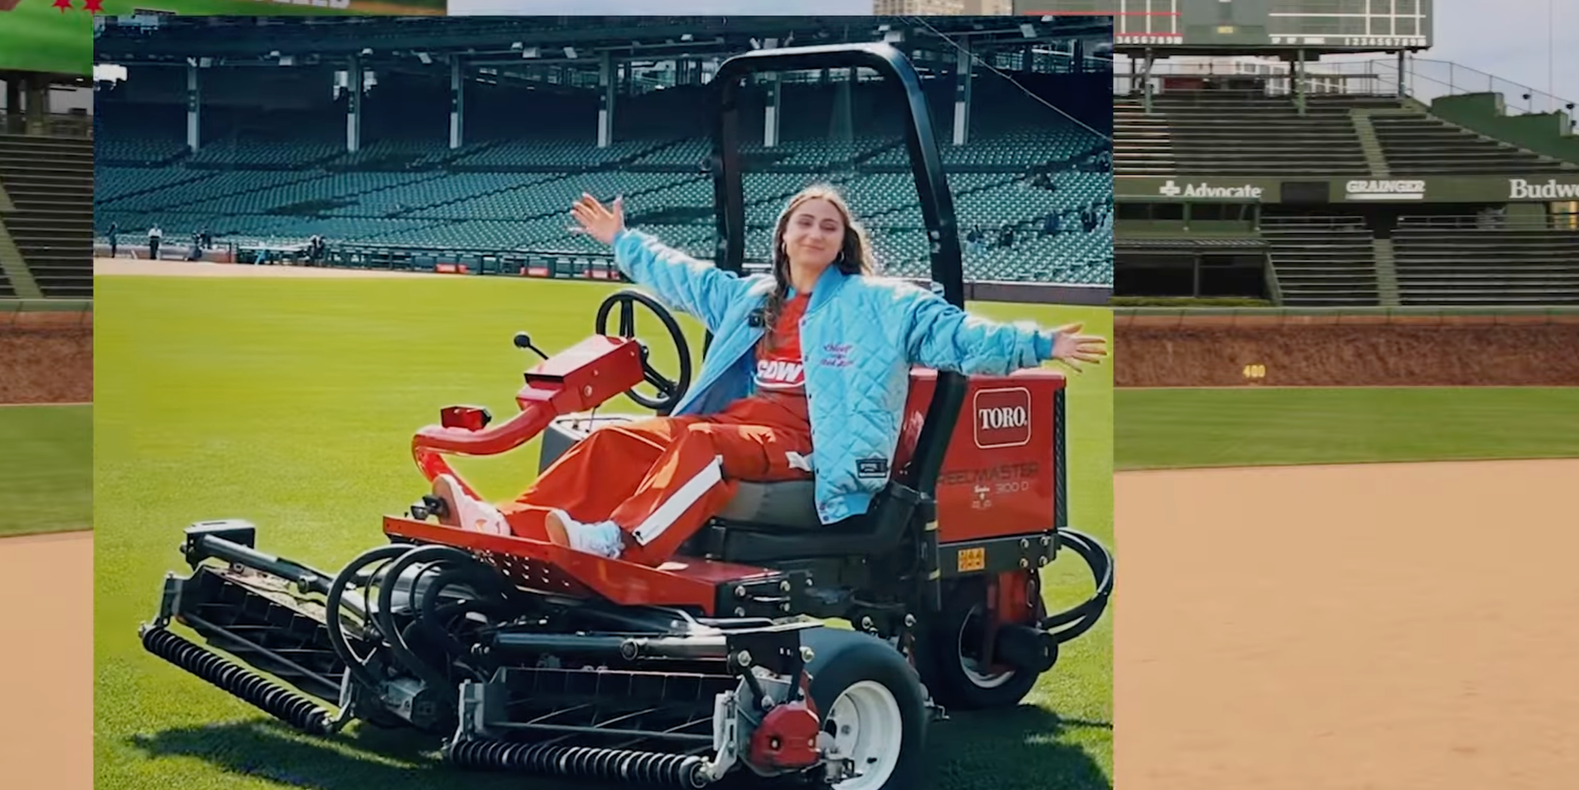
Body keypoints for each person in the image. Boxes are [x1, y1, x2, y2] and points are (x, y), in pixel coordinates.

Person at [430, 184, 1107, 565]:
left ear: (843, 243)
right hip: (743, 427)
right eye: (804, 223)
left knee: (698, 446)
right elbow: (683, 277)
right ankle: (507, 526)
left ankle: (621, 541)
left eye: (829, 227)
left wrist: (1037, 340)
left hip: (816, 448)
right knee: (613, 437)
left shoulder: (879, 303)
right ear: (784, 235)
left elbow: (957, 336)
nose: (816, 233)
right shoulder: (753, 300)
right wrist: (621, 241)